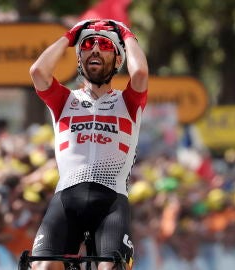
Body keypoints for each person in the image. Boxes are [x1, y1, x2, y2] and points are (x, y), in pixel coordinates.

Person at [29, 18, 148, 270]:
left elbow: (139, 74)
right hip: (66, 198)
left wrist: (126, 35)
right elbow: (38, 72)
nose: (94, 48)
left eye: (104, 45)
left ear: (118, 60)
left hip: (111, 202)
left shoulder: (127, 102)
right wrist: (70, 35)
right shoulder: (65, 100)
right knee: (42, 266)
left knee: (109, 267)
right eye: (87, 45)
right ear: (79, 58)